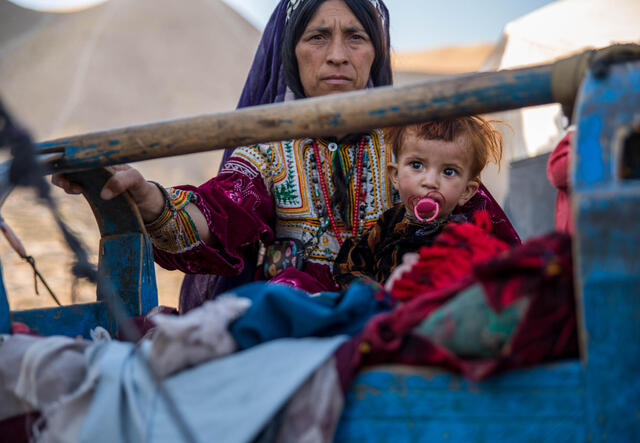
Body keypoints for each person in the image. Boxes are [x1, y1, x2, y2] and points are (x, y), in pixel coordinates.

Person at [54, 0, 519, 314]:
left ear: (375, 54)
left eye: (355, 37)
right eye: (318, 37)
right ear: (291, 53)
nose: (337, 55)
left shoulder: (417, 147)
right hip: (295, 337)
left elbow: (493, 244)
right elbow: (217, 214)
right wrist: (150, 198)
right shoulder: (267, 152)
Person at [333, 116, 504, 287]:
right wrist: (372, 292)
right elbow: (348, 266)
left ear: (466, 191)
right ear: (395, 175)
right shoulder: (388, 224)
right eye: (416, 165)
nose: (430, 182)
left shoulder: (463, 240)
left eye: (449, 171)